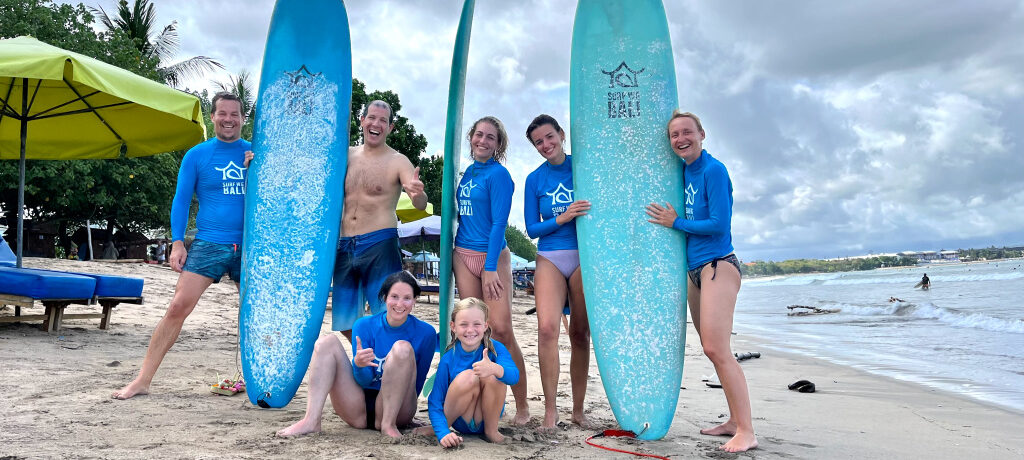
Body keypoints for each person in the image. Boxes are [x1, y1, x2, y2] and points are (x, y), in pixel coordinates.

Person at [112, 92, 253, 400]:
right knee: (177, 307)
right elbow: (181, 200)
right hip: (209, 242)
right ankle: (143, 380)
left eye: (235, 114)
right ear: (212, 117)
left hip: (252, 245)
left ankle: (258, 381)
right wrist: (177, 242)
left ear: (244, 118)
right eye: (222, 113)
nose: (229, 119)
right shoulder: (197, 155)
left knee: (254, 314)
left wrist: (257, 170)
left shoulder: (256, 154)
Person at [645, 110, 757, 453]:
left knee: (716, 349)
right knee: (712, 349)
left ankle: (747, 431)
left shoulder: (713, 170)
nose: (681, 139)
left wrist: (676, 223)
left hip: (718, 264)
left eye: (687, 132)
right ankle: (734, 421)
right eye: (674, 135)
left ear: (702, 134)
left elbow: (719, 224)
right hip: (694, 271)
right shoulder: (681, 172)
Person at [277, 271, 437, 438]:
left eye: (407, 298)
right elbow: (364, 380)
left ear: (414, 300)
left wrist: (407, 414)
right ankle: (311, 420)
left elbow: (417, 382)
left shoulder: (426, 333)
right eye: (394, 296)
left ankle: (388, 425)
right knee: (326, 342)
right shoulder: (363, 325)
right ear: (385, 298)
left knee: (402, 348)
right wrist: (359, 365)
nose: (399, 304)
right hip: (357, 407)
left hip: (396, 410)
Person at [454, 116, 530, 424]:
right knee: (472, 331)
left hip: (493, 257)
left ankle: (522, 406)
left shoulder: (499, 175)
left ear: (498, 145)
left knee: (501, 330)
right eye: (479, 134)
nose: (482, 141)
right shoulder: (467, 173)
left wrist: (488, 267)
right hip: (462, 253)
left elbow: (499, 223)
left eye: (490, 137)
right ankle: (480, 403)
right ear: (471, 137)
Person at [333, 100, 427, 339]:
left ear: (390, 127)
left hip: (379, 243)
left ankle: (389, 356)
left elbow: (419, 202)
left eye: (383, 120)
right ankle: (370, 354)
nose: (376, 124)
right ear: (362, 120)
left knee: (388, 312)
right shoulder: (346, 155)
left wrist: (418, 194)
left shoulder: (398, 161)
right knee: (344, 319)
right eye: (372, 118)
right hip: (344, 244)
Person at [522, 114, 592, 429]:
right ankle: (550, 411)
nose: (546, 145)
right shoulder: (534, 179)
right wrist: (562, 218)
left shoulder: (584, 167)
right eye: (538, 142)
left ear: (562, 134)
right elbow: (532, 228)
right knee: (547, 329)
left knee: (579, 333)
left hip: (584, 256)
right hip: (550, 256)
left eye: (550, 137)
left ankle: (578, 410)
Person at [427, 297, 519, 446]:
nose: (470, 330)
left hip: (487, 418)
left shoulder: (496, 349)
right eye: (463, 324)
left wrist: (495, 368)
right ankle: (441, 427)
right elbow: (435, 400)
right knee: (469, 376)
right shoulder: (448, 358)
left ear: (485, 326)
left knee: (495, 375)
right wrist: (442, 432)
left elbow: (514, 376)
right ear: (453, 327)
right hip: (460, 420)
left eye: (477, 324)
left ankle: (491, 432)